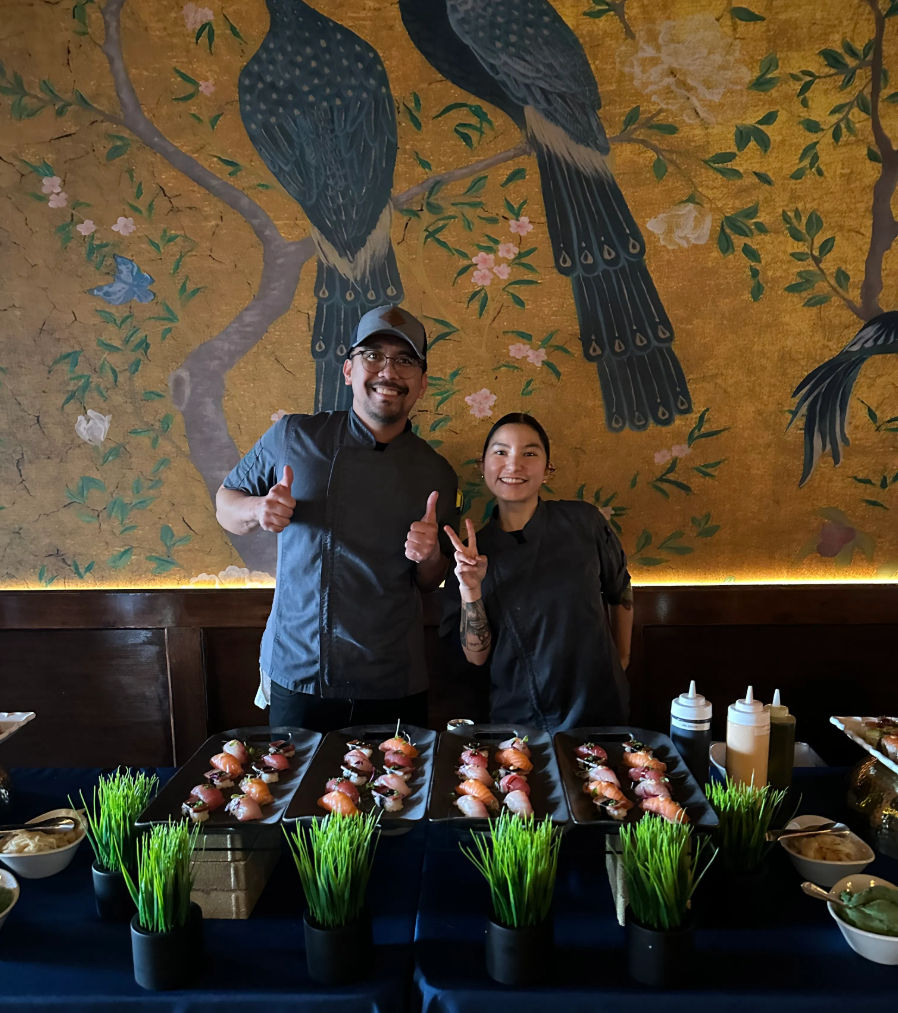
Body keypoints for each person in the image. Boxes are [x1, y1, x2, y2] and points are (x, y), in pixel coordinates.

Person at [216, 305, 458, 731]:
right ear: (348, 370)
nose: (388, 371)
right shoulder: (295, 436)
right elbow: (225, 505)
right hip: (301, 672)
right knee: (294, 795)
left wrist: (429, 556)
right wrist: (258, 509)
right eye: (373, 356)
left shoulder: (437, 472)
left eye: (404, 361)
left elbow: (429, 580)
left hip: (393, 678)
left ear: (421, 384)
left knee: (395, 795)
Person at [444, 412, 633, 733]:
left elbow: (620, 589)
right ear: (483, 466)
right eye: (501, 452)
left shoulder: (583, 522)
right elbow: (476, 658)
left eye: (529, 453)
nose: (514, 465)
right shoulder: (468, 556)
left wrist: (622, 660)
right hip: (519, 718)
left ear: (547, 470)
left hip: (600, 708)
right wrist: (471, 588)